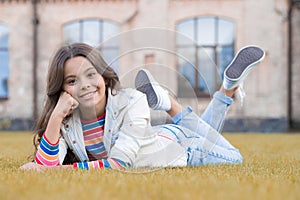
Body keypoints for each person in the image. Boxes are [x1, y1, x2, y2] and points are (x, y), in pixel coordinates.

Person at [20, 43, 265, 171]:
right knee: (209, 130)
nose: (84, 86)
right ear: (61, 88)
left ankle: (171, 104)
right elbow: (44, 166)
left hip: (183, 148)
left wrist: (54, 173)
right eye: (72, 81)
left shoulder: (131, 101)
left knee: (235, 158)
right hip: (158, 137)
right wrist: (56, 116)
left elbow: (119, 164)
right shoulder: (67, 120)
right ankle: (228, 87)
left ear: (104, 77)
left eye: (90, 74)